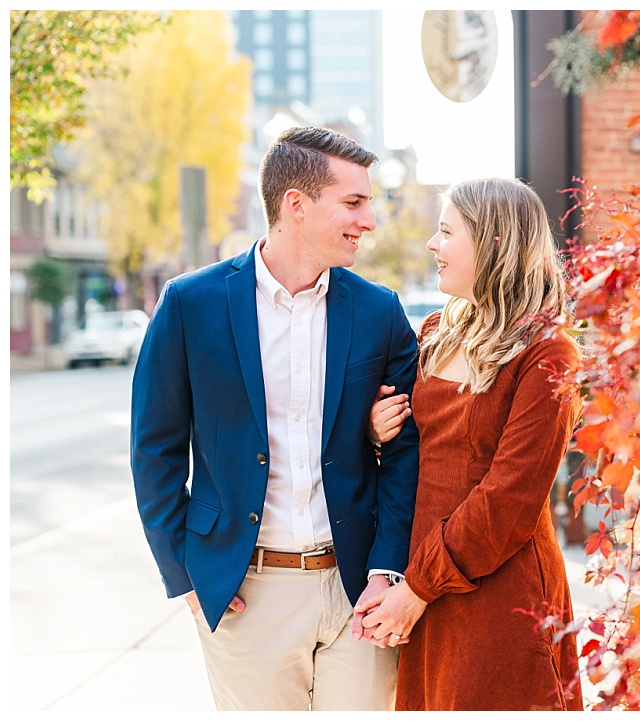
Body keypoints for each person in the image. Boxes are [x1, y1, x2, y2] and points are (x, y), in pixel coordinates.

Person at [130, 126, 420, 711]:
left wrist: (388, 568)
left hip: (356, 587)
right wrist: (185, 575)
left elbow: (409, 449)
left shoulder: (378, 310)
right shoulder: (190, 304)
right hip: (246, 591)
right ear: (296, 204)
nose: (368, 221)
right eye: (353, 202)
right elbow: (154, 449)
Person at [354, 177, 584, 711]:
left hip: (502, 593)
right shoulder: (436, 332)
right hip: (425, 588)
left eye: (445, 231)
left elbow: (509, 500)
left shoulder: (547, 354)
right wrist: (373, 429)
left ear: (494, 243)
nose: (432, 245)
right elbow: (412, 451)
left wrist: (415, 590)